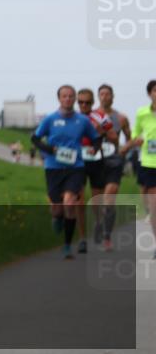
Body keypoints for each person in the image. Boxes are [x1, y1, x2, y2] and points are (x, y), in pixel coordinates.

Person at [31, 85, 101, 259]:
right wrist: (50, 148)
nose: (68, 99)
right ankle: (57, 217)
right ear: (59, 99)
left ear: (74, 99)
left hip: (75, 167)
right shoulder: (50, 119)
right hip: (53, 167)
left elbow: (96, 138)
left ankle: (67, 245)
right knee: (57, 208)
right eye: (64, 96)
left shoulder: (82, 121)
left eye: (71, 96)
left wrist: (94, 148)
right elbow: (35, 138)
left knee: (70, 203)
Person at [93, 84, 132, 251]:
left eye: (107, 94)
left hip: (115, 161)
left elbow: (130, 137)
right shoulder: (92, 116)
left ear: (113, 96)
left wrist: (125, 148)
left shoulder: (121, 118)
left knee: (110, 196)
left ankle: (107, 237)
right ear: (98, 96)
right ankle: (99, 222)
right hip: (95, 160)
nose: (104, 97)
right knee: (97, 200)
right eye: (101, 94)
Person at [77, 88, 115, 254]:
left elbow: (109, 125)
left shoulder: (98, 115)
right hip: (78, 161)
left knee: (95, 199)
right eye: (81, 102)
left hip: (96, 160)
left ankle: (98, 222)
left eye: (87, 102)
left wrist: (99, 131)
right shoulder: (74, 117)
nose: (84, 105)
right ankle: (82, 238)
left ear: (92, 103)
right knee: (79, 199)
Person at [126, 80, 156, 260]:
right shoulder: (142, 113)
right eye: (155, 90)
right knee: (149, 203)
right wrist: (136, 139)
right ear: (149, 94)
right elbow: (135, 133)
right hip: (147, 162)